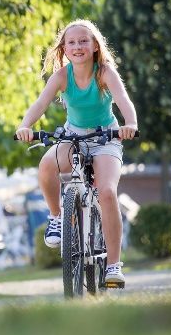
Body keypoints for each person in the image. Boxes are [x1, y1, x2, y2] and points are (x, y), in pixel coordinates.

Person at [15, 19, 138, 287]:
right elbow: (41, 103)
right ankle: (57, 218)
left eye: (84, 41)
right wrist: (25, 126)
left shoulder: (104, 72)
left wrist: (131, 125)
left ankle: (114, 266)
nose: (78, 46)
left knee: (106, 192)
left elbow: (123, 101)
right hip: (73, 134)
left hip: (106, 136)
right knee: (47, 166)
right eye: (71, 42)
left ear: (95, 46)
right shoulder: (61, 76)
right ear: (64, 49)